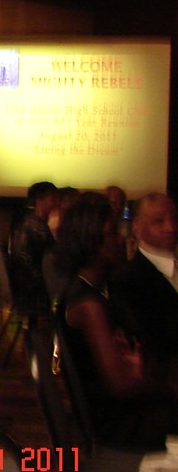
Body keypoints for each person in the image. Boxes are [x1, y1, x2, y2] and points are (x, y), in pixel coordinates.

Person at [56, 192, 178, 450]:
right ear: (91, 241)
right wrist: (169, 385)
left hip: (124, 410)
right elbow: (120, 384)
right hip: (119, 423)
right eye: (112, 233)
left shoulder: (91, 291)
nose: (122, 238)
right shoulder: (88, 304)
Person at [110, 193, 178, 380]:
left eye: (174, 219)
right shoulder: (129, 280)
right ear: (137, 228)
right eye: (159, 221)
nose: (171, 228)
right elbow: (149, 343)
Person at [9, 180, 57, 309]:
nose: (55, 203)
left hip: (24, 277)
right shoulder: (36, 225)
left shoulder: (29, 219)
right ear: (39, 200)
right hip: (32, 282)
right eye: (52, 199)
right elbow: (51, 253)